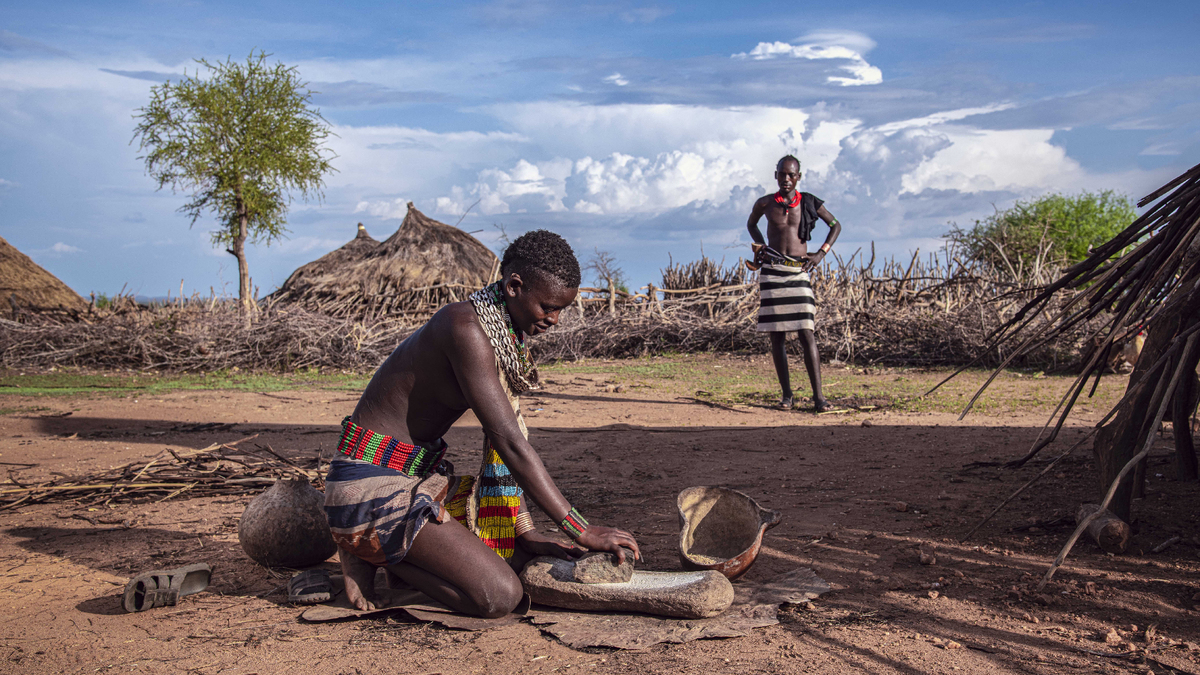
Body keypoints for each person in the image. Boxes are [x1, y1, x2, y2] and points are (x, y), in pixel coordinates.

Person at [324, 230, 640, 618]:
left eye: (561, 310)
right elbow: (509, 441)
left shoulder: (503, 334)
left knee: (518, 559)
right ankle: (370, 551)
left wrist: (524, 532)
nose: (554, 320)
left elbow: (503, 445)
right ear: (514, 286)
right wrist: (581, 529)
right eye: (547, 307)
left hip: (415, 480)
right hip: (370, 488)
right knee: (498, 595)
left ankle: (388, 551)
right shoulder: (464, 328)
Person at [746, 155, 842, 412]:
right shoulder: (765, 203)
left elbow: (835, 226)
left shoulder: (809, 202)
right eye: (782, 174)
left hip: (799, 272)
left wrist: (820, 253)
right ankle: (787, 396)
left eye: (791, 175)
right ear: (775, 175)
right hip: (772, 272)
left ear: (799, 177)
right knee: (777, 335)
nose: (786, 179)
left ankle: (819, 398)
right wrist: (761, 246)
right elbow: (751, 224)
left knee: (806, 332)